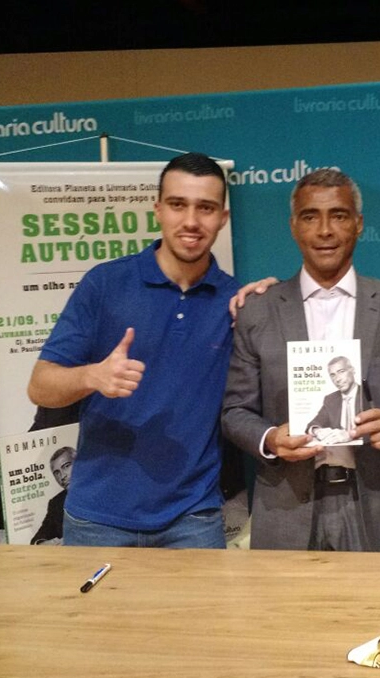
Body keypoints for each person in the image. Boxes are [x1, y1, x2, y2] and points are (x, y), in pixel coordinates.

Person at [26, 152, 240, 548]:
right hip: (97, 521)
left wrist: (268, 300)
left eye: (205, 208)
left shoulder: (235, 302)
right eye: (178, 205)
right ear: (157, 209)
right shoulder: (105, 284)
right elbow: (41, 387)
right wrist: (92, 376)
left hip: (193, 520)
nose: (191, 221)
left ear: (222, 218)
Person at [222, 168, 380, 552]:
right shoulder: (258, 312)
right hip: (287, 504)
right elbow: (235, 411)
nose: (324, 230)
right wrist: (270, 439)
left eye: (338, 215)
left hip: (376, 504)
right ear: (293, 226)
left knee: (377, 612)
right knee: (288, 613)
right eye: (310, 216)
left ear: (358, 224)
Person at [307, 355, 364, 445]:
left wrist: (351, 434)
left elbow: (377, 426)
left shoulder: (366, 394)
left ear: (353, 370)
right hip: (336, 451)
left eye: (341, 372)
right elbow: (313, 423)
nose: (337, 379)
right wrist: (317, 431)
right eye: (333, 375)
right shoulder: (330, 399)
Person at [30, 445, 75, 545]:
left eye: (66, 466)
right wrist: (45, 544)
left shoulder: (102, 489)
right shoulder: (55, 503)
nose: (63, 476)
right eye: (57, 473)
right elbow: (37, 539)